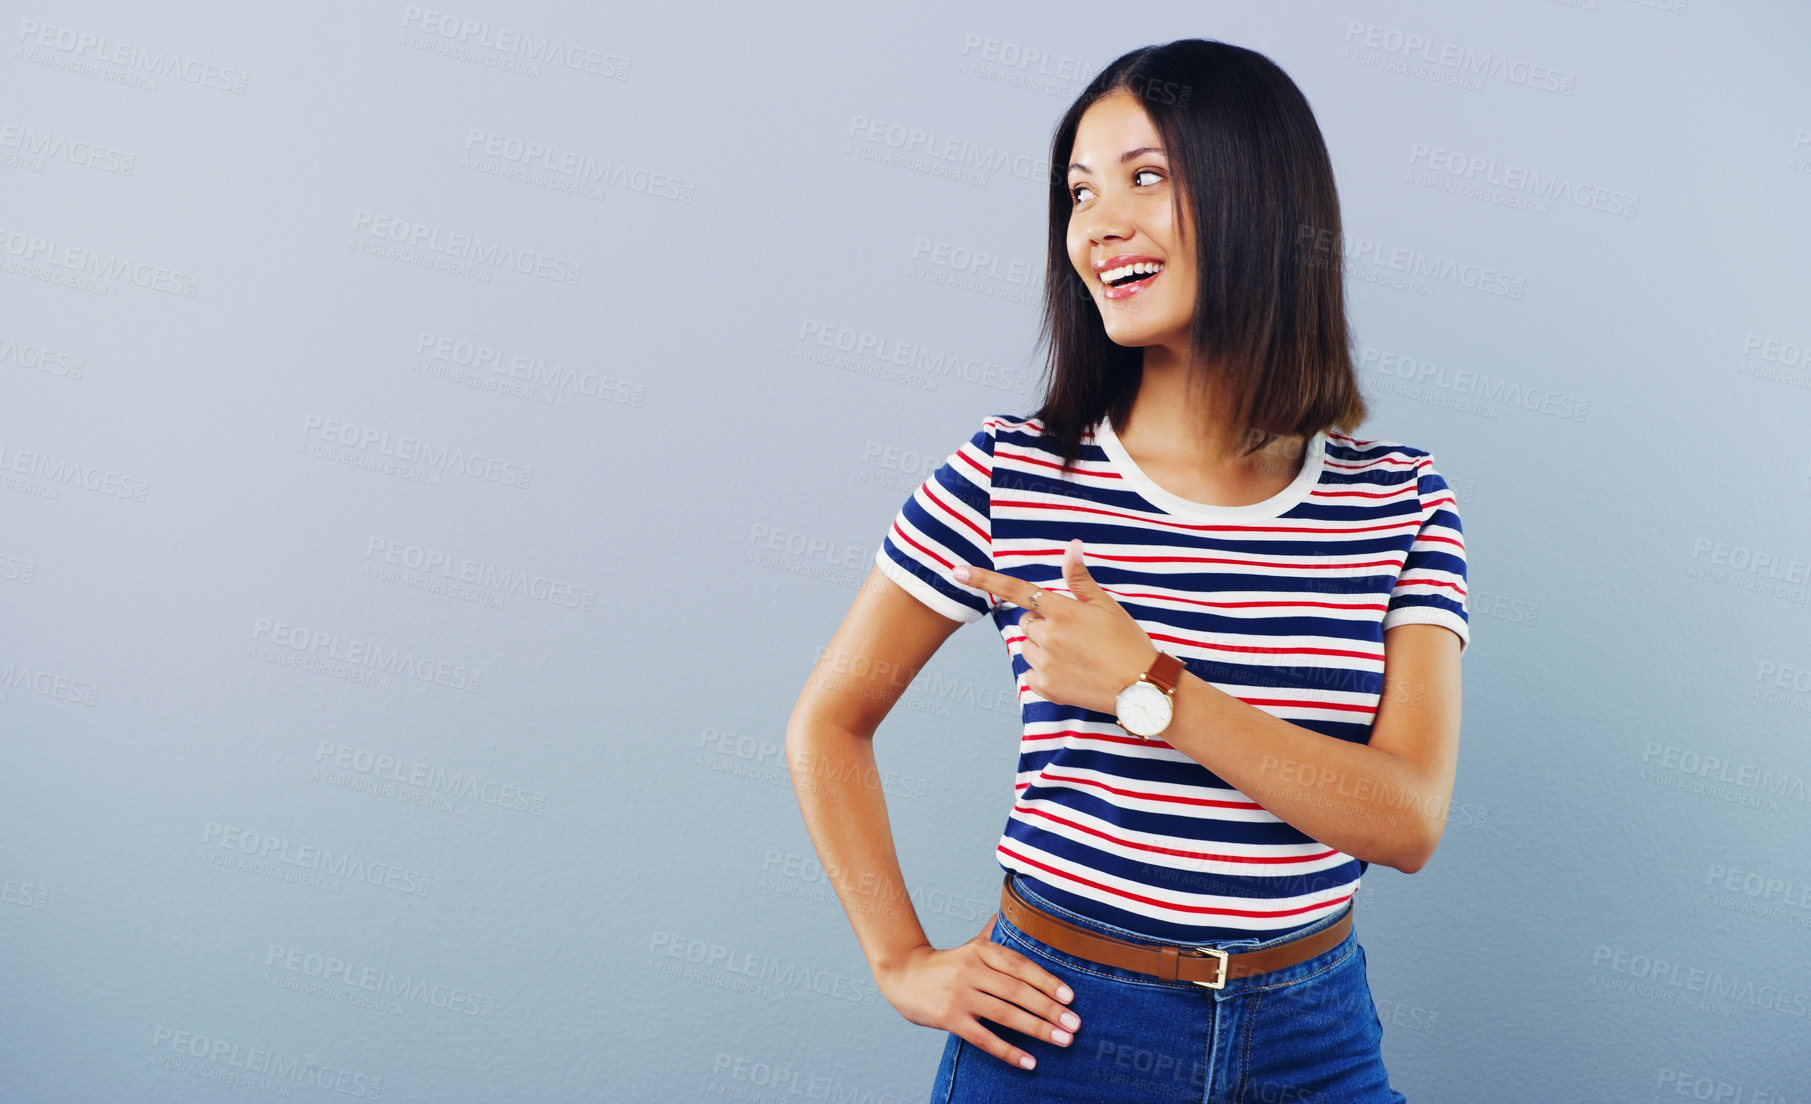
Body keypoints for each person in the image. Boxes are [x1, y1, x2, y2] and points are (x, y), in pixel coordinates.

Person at [786, 38, 1467, 1103]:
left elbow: (1405, 818)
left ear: (1255, 193)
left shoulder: (1399, 499)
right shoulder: (1012, 474)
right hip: (1059, 1030)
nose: (1097, 225)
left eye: (1145, 177)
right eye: (1078, 192)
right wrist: (900, 961)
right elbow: (827, 725)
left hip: (1311, 1036)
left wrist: (1148, 689)